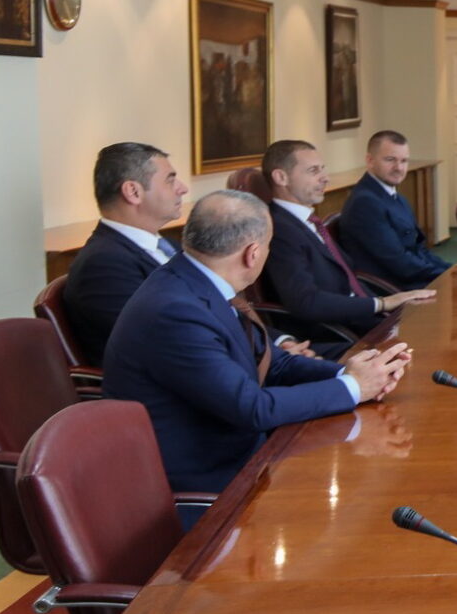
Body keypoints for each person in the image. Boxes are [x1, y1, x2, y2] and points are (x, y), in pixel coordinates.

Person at [101, 190, 412, 495]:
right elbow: (252, 407)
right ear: (252, 253)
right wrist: (353, 388)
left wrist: (350, 374)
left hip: (248, 452)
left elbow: (271, 361)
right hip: (211, 480)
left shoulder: (198, 281)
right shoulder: (176, 311)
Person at [261, 140, 435, 355]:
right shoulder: (279, 230)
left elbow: (348, 277)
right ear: (281, 177)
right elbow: (306, 301)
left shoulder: (308, 221)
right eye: (313, 171)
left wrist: (389, 308)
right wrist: (381, 304)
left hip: (362, 316)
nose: (325, 178)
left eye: (323, 169)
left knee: (433, 323)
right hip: (335, 331)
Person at [62, 143, 190, 365]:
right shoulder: (103, 265)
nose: (182, 188)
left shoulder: (167, 245)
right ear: (133, 192)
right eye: (170, 180)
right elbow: (160, 339)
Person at [334, 130, 450, 290]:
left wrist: (451, 269)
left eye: (404, 161)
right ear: (370, 160)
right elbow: (399, 263)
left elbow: (418, 249)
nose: (399, 168)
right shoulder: (365, 203)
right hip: (394, 288)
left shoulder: (396, 197)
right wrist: (447, 275)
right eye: (390, 160)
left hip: (414, 278)